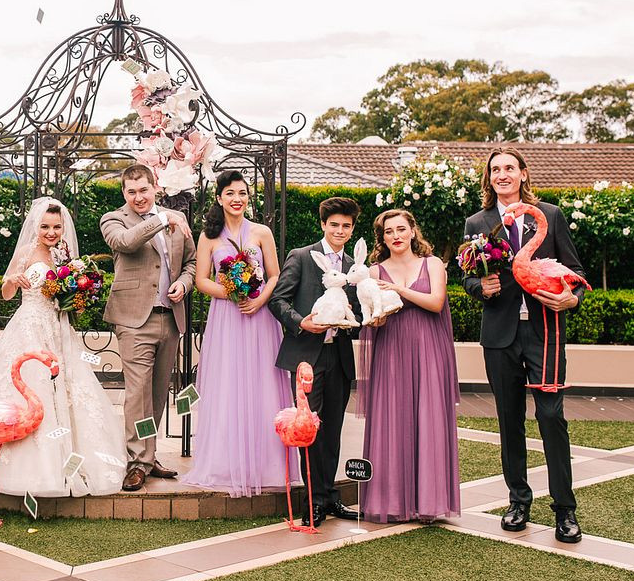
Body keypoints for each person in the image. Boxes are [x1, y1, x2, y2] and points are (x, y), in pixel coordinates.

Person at [463, 147, 586, 543]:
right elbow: (464, 277)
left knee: (551, 416)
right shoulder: (477, 223)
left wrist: (574, 298)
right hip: (500, 337)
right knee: (509, 419)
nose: (502, 174)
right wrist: (479, 286)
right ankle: (518, 501)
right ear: (490, 177)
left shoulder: (548, 216)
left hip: (544, 332)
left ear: (523, 174)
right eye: (495, 169)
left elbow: (576, 270)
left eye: (509, 168)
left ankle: (565, 510)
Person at [0, 197, 124, 496]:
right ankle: (29, 471)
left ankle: (69, 464)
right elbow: (4, 293)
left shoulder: (65, 256)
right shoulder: (27, 252)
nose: (51, 232)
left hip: (58, 327)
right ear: (36, 227)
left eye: (56, 226)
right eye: (45, 226)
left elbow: (71, 299)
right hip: (29, 327)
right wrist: (13, 280)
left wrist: (79, 298)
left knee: (66, 391)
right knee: (32, 388)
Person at [183, 170, 298, 496]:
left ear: (249, 197)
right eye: (230, 193)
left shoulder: (261, 232)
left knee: (261, 381)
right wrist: (230, 293)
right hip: (227, 317)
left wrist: (259, 298)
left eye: (242, 193)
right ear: (219, 198)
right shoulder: (209, 236)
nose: (237, 199)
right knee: (228, 383)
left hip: (260, 318)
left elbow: (274, 275)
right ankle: (224, 461)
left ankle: (268, 463)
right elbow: (201, 280)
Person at [356, 209, 460, 523]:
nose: (396, 236)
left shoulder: (433, 264)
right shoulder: (374, 272)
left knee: (428, 418)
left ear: (413, 232)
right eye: (389, 232)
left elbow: (436, 302)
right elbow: (373, 317)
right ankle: (391, 501)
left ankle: (429, 502)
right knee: (392, 418)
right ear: (382, 238)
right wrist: (377, 317)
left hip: (428, 349)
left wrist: (400, 291)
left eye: (401, 229)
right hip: (391, 349)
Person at [100, 164, 197, 492]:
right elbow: (126, 243)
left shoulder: (177, 219)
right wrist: (160, 220)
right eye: (131, 192)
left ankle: (148, 453)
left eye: (144, 190)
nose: (138, 197)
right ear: (124, 193)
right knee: (138, 392)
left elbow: (192, 263)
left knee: (158, 392)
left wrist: (184, 284)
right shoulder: (114, 219)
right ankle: (137, 461)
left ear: (155, 187)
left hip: (170, 317)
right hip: (133, 319)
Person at [269, 197, 362, 527]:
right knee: (308, 430)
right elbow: (278, 300)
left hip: (339, 357)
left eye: (346, 226)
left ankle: (328, 493)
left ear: (352, 230)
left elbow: (359, 311)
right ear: (323, 225)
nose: (339, 230)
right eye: (334, 224)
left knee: (333, 430)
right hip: (306, 356)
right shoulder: (302, 256)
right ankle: (313, 501)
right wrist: (300, 322)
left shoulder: (354, 266)